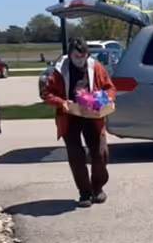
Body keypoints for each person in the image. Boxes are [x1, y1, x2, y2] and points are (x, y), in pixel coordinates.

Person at [40, 38, 117, 207]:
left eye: (83, 56)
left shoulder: (95, 67)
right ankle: (84, 193)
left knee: (100, 152)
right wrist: (61, 102)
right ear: (70, 55)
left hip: (92, 114)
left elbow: (109, 88)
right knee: (76, 156)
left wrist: (105, 99)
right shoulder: (59, 71)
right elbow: (46, 93)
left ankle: (98, 188)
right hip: (69, 115)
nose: (80, 59)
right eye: (76, 56)